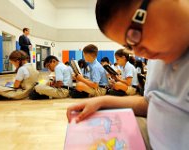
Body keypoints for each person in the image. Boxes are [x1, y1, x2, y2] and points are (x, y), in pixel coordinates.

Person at [67, 0, 189, 149]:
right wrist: (103, 101)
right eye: (129, 46)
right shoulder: (156, 57)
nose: (137, 52)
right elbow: (152, 103)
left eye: (134, 34)